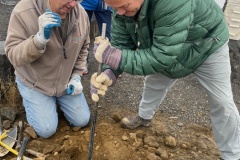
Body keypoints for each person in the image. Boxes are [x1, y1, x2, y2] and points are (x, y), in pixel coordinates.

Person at [90, 0, 240, 159]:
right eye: (114, 7)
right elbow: (122, 45)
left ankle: (232, 154)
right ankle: (144, 117)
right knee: (153, 83)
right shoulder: (120, 7)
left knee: (222, 102)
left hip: (205, 44)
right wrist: (109, 72)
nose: (118, 12)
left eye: (124, 6)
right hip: (165, 44)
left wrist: (114, 56)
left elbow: (161, 57)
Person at [5, 0, 91, 138]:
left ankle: (54, 101)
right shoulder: (23, 12)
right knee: (46, 130)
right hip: (36, 82)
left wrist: (76, 76)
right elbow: (13, 55)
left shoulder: (80, 14)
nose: (73, 5)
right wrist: (38, 41)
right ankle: (32, 99)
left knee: (82, 120)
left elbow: (84, 48)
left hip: (64, 81)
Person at [80, 0, 112, 74]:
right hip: (85, 4)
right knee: (83, 34)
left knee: (107, 35)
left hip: (105, 4)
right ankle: (82, 62)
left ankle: (108, 63)